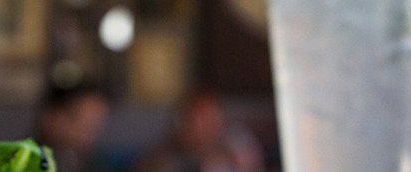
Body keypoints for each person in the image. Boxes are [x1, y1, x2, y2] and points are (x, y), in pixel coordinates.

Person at [133, 90, 265, 172]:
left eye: (208, 117)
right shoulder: (169, 150)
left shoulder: (237, 141)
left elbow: (250, 165)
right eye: (192, 119)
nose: (201, 125)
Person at [33, 82, 114, 172]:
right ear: (51, 117)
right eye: (80, 122)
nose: (88, 137)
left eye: (94, 127)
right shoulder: (23, 162)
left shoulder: (96, 164)